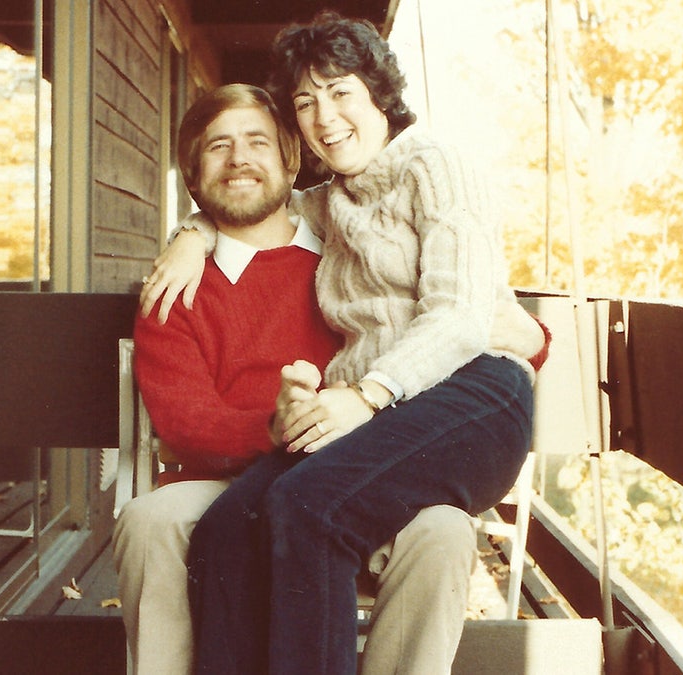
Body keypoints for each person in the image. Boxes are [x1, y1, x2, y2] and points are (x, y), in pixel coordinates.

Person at [145, 12, 548, 675]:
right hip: (382, 412)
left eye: (340, 92)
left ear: (379, 96)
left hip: (471, 398)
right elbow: (246, 204)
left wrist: (366, 394)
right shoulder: (330, 200)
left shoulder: (439, 166)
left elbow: (460, 315)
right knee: (226, 531)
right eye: (305, 101)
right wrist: (190, 232)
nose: (324, 115)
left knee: (308, 508)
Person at [111, 83, 483, 675]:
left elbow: (456, 320)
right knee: (148, 521)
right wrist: (276, 427)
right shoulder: (176, 287)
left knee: (443, 529)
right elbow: (185, 423)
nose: (239, 159)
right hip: (227, 488)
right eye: (218, 147)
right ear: (192, 175)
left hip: (361, 478)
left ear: (291, 159)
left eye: (258, 142)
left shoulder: (357, 251)